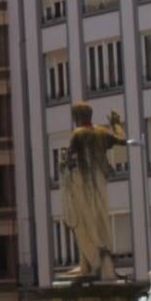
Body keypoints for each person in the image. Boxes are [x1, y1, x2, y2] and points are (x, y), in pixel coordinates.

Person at [59, 102, 128, 281]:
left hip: (83, 181)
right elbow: (122, 139)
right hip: (100, 180)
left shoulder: (79, 133)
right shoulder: (102, 132)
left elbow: (69, 158)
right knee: (99, 219)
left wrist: (64, 163)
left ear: (78, 116)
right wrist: (116, 124)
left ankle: (93, 263)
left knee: (84, 220)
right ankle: (94, 263)